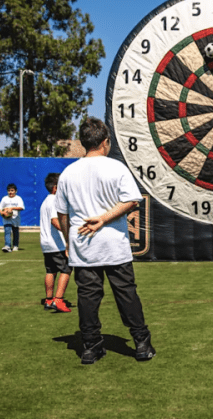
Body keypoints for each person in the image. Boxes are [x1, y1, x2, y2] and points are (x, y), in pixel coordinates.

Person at [55, 117, 155, 365]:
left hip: (83, 246)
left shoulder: (68, 173)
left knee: (87, 297)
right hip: (114, 245)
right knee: (126, 295)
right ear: (104, 142)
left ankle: (90, 347)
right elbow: (132, 200)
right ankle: (141, 343)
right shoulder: (116, 167)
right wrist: (103, 219)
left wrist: (69, 242)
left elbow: (62, 213)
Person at [39, 173, 72, 313]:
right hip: (56, 243)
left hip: (46, 244)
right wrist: (68, 235)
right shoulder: (54, 200)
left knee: (50, 271)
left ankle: (49, 300)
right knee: (67, 269)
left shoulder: (45, 201)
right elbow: (55, 220)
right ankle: (58, 300)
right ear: (55, 188)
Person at [0, 183, 24, 253]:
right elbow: (0, 207)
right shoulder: (4, 198)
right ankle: (7, 246)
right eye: (9, 190)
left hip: (15, 219)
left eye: (12, 190)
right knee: (7, 232)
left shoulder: (18, 198)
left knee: (15, 232)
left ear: (15, 191)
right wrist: (2, 213)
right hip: (7, 219)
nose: (10, 192)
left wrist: (11, 208)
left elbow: (21, 207)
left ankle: (15, 245)